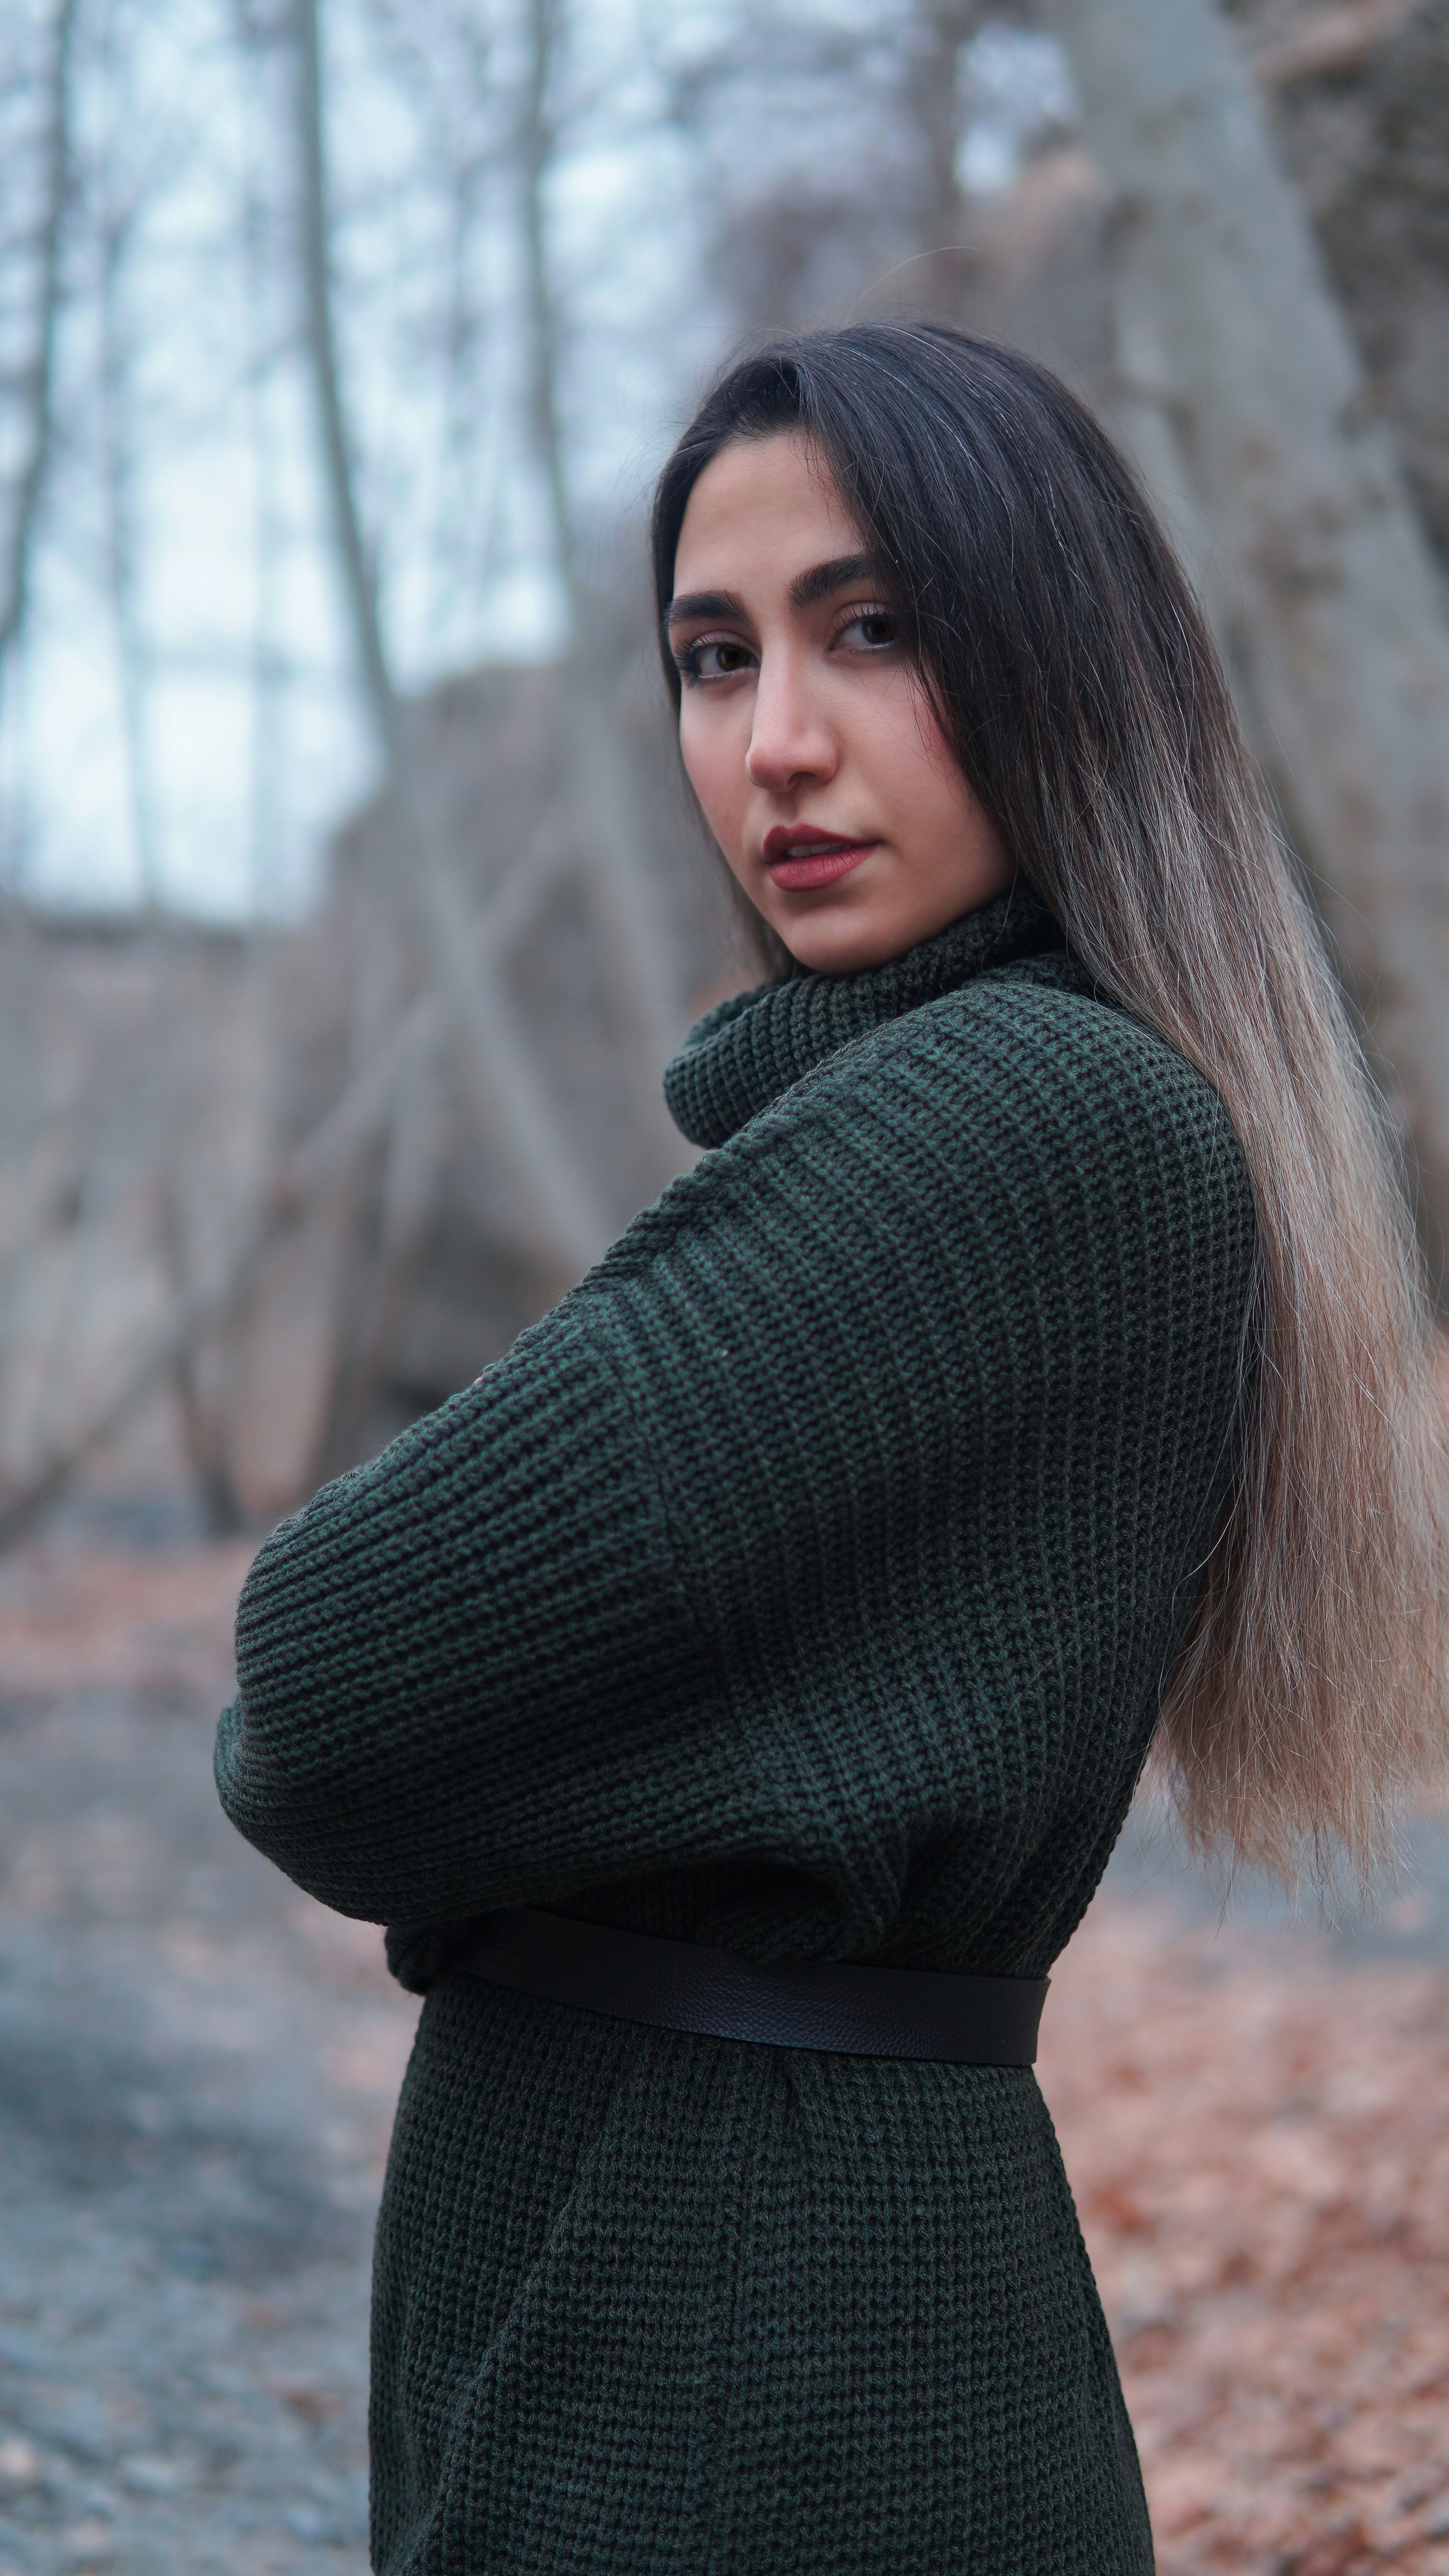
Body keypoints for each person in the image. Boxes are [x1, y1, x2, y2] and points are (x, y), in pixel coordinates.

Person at [215, 324, 1446, 2575]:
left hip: (749, 2361)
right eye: (715, 656)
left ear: (1066, 668)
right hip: (741, 2298)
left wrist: (508, 1836)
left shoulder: (1024, 1113)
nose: (776, 738)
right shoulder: (1036, 1109)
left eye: (871, 630)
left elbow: (314, 1695)